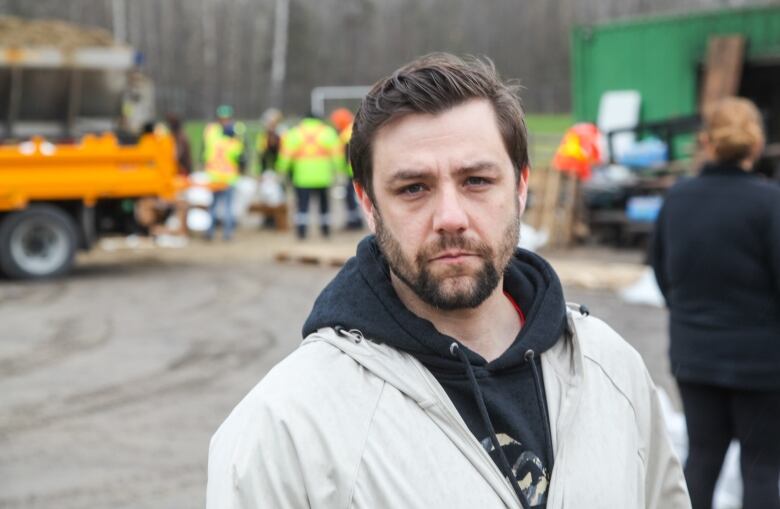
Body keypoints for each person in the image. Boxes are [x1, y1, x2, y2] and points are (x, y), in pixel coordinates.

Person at [207, 53, 690, 508]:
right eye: (413, 188)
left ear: (521, 187)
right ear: (368, 203)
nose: (451, 217)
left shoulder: (614, 372)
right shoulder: (285, 427)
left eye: (477, 181)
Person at [651, 97, 780, 509]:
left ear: (706, 141)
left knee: (702, 461)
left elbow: (663, 275)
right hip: (761, 364)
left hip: (695, 356)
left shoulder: (678, 200)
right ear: (756, 143)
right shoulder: (770, 203)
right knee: (761, 469)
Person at [276, 113, 344, 239]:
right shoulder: (328, 132)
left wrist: (281, 170)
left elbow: (285, 154)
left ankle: (302, 232)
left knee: (302, 206)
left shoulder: (295, 133)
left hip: (302, 178)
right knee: (324, 205)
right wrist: (339, 171)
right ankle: (325, 231)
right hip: (323, 177)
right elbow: (337, 155)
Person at [203, 105, 245, 241]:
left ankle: (210, 232)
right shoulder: (234, 144)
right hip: (228, 177)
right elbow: (241, 157)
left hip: (213, 175)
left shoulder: (212, 136)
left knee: (213, 206)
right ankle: (227, 233)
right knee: (227, 207)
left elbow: (205, 153)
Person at [330, 107, 364, 230]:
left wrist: (341, 170)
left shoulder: (346, 133)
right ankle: (355, 221)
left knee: (351, 197)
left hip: (353, 172)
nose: (336, 126)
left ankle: (354, 222)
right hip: (356, 171)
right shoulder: (354, 128)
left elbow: (345, 154)